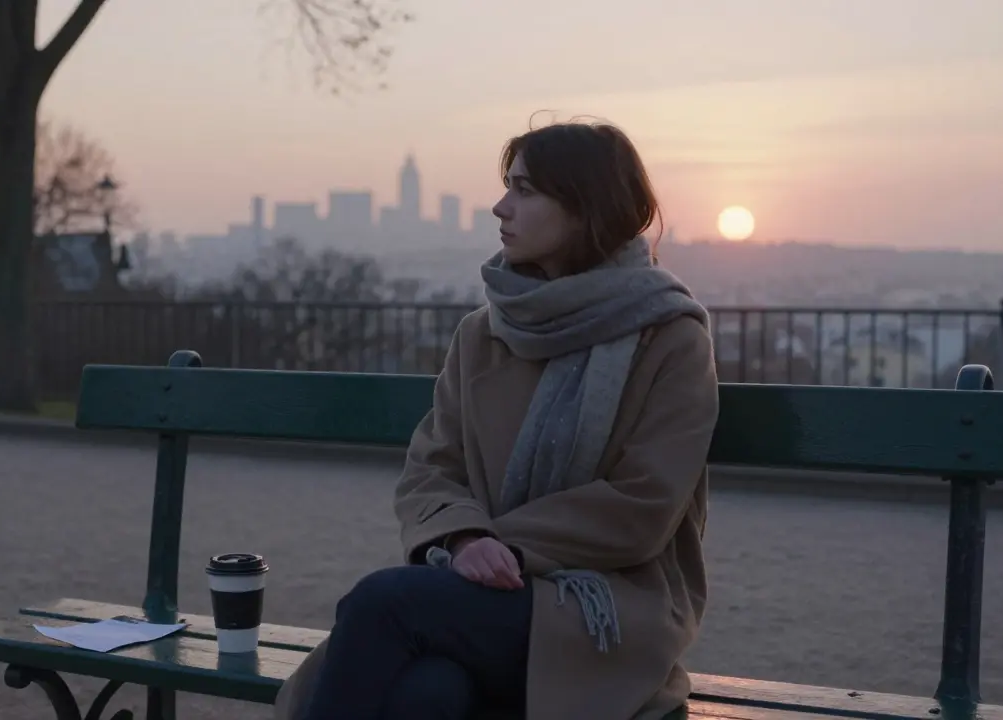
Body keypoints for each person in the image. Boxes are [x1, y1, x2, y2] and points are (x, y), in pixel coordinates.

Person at [273, 120, 720, 720]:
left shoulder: (670, 338)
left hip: (604, 610)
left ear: (587, 207)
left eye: (525, 191)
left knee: (383, 604)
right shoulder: (483, 333)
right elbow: (432, 464)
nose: (499, 206)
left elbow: (644, 503)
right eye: (507, 186)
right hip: (476, 595)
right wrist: (464, 538)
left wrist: (502, 543)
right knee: (428, 695)